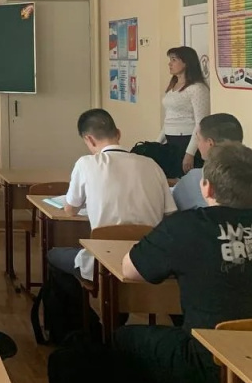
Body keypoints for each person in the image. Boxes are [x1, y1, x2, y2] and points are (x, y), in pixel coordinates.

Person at [117, 143, 252, 383]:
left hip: (212, 369)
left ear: (207, 188)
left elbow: (130, 269)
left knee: (123, 338)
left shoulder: (184, 227)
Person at [47, 109, 176, 283]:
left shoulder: (86, 164)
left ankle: (79, 301)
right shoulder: (152, 165)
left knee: (53, 255)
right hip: (148, 264)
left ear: (89, 139)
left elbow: (70, 210)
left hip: (103, 264)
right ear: (119, 134)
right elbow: (169, 214)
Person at [172, 113, 252, 215]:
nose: (197, 145)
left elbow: (173, 210)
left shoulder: (194, 179)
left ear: (210, 143)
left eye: (198, 139)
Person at [158, 46, 210, 175]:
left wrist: (190, 153)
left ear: (186, 63)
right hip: (170, 141)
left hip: (186, 141)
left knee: (184, 179)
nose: (170, 64)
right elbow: (169, 118)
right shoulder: (172, 87)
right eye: (170, 59)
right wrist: (157, 143)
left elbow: (201, 123)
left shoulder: (197, 88)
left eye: (174, 60)